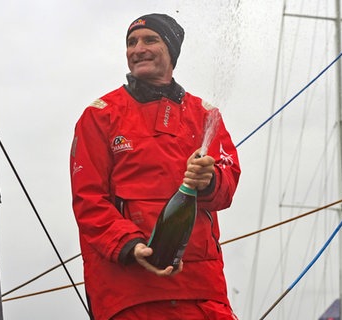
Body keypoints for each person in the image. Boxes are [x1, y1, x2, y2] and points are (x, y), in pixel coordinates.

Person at [70, 13, 241, 320]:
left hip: (202, 289)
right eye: (131, 42)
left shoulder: (205, 114)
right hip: (128, 292)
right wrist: (131, 246)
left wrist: (210, 180)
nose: (138, 48)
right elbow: (88, 200)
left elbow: (227, 185)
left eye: (150, 40)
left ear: (171, 51)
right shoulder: (99, 115)